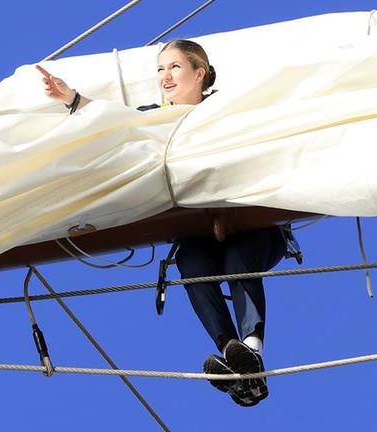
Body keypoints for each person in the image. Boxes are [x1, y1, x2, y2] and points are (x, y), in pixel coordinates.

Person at [37, 39, 287, 407]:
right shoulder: (154, 117)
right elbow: (114, 123)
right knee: (192, 264)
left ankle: (250, 348)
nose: (165, 77)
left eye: (174, 68)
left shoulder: (227, 107)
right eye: (159, 70)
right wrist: (73, 100)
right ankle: (232, 354)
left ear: (199, 73)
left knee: (237, 261)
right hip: (199, 229)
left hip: (252, 225)